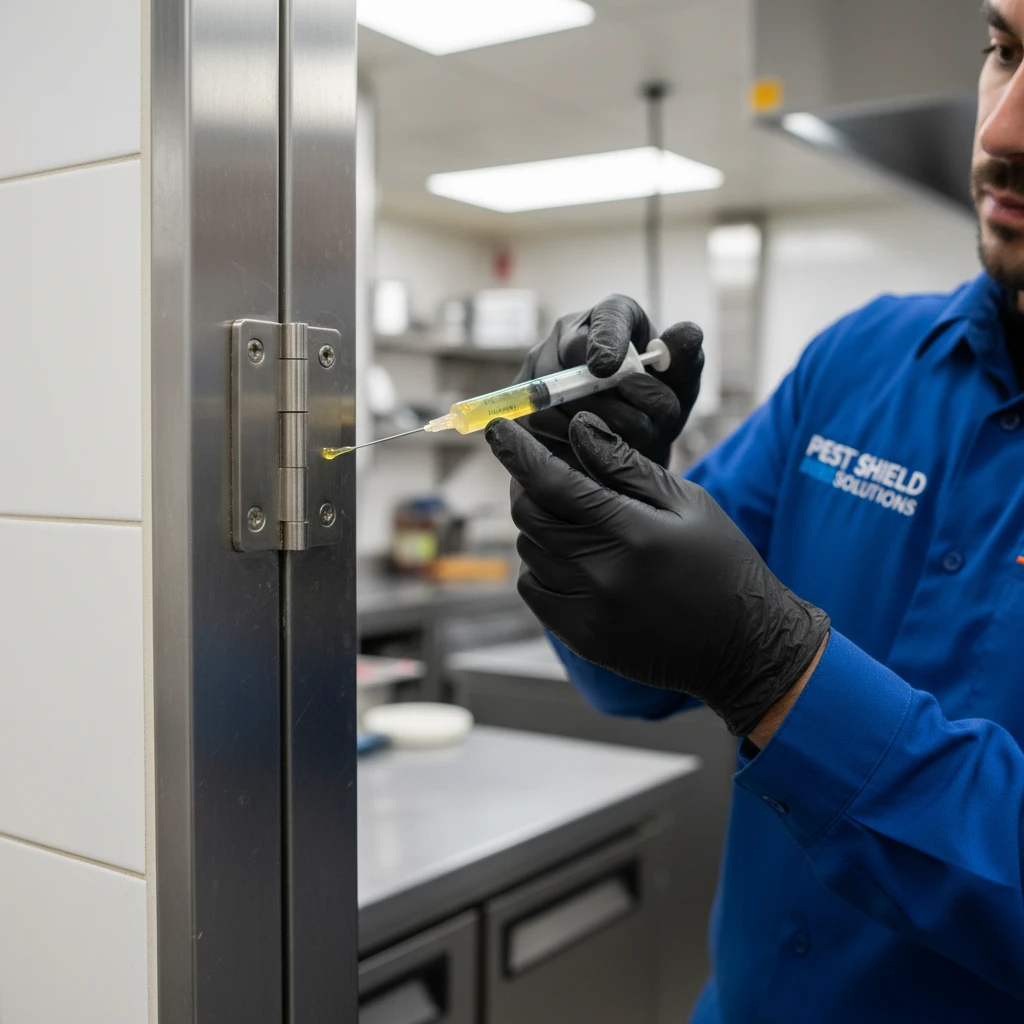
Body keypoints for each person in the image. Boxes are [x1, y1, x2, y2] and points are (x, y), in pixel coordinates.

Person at [485, 2, 1024, 1020]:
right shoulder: (858, 359)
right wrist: (597, 495)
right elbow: (627, 678)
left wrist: (780, 674)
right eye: (1004, 52)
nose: (999, 130)